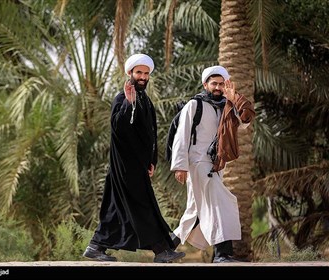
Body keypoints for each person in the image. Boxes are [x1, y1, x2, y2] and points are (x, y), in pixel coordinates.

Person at [83, 54, 186, 263]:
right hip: (125, 166)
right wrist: (128, 103)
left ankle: (95, 247)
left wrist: (152, 161)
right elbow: (118, 129)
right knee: (142, 206)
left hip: (138, 165)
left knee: (116, 209)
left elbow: (150, 133)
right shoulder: (121, 99)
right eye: (139, 72)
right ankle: (161, 249)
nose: (143, 77)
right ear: (130, 73)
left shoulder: (145, 100)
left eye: (146, 73)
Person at [169, 65, 255, 263]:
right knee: (222, 203)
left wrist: (234, 98)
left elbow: (246, 121)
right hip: (197, 163)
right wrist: (180, 166)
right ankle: (222, 255)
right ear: (205, 84)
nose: (217, 87)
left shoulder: (227, 106)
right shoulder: (194, 105)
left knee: (194, 212)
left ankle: (164, 247)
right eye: (213, 83)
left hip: (216, 166)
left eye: (221, 84)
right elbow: (181, 137)